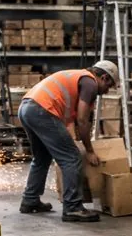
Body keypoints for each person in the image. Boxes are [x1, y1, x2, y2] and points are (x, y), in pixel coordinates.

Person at [18, 61, 119, 223]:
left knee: (42, 157)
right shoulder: (90, 83)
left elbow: (71, 120)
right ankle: (73, 208)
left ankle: (30, 200)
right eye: (109, 86)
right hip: (41, 110)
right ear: (104, 77)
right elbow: (82, 120)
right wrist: (89, 150)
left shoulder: (76, 77)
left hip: (26, 108)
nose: (107, 91)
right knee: (72, 158)